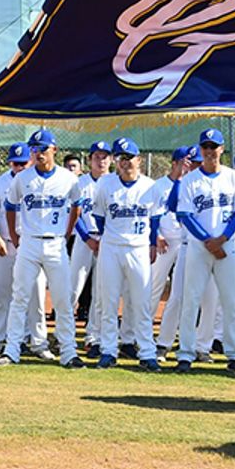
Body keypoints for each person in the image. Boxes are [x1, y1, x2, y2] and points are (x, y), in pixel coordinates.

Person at [0, 129, 84, 368]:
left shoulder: (68, 178)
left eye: (43, 148)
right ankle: (11, 350)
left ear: (54, 149)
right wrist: (14, 236)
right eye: (34, 149)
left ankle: (68, 352)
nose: (38, 153)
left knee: (63, 299)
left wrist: (66, 233)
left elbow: (77, 207)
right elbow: (11, 206)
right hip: (30, 242)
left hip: (55, 242)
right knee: (20, 297)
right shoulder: (22, 178)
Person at [173, 128, 235, 376]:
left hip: (226, 246)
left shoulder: (233, 177)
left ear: (221, 149)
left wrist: (223, 239)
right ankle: (185, 353)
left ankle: (234, 355)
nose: (209, 151)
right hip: (199, 247)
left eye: (213, 146)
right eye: (205, 146)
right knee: (191, 300)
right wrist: (208, 241)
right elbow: (184, 214)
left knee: (230, 302)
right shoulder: (190, 180)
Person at [91, 137, 164, 371]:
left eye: (128, 157)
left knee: (141, 302)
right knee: (108, 301)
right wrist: (110, 238)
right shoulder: (105, 184)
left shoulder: (150, 186)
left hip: (139, 247)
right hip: (111, 247)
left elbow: (155, 220)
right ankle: (108, 350)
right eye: (120, 158)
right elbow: (100, 218)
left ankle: (147, 352)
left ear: (139, 160)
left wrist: (152, 245)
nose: (124, 162)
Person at [0, 142, 43, 361]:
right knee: (2, 293)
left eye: (23, 163)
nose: (18, 167)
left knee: (35, 295)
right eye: (15, 164)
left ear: (31, 161)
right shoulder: (0, 183)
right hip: (6, 243)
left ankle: (35, 340)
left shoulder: (37, 181)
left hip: (32, 244)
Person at [71, 141, 111, 354]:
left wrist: (104, 239)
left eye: (105, 156)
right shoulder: (80, 182)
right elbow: (74, 214)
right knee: (73, 288)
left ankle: (93, 337)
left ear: (111, 160)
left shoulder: (114, 182)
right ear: (90, 159)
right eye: (97, 156)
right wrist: (87, 238)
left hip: (107, 242)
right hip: (83, 239)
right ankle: (64, 336)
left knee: (100, 292)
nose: (101, 160)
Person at [149, 147, 189, 355]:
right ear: (174, 163)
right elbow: (151, 215)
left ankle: (177, 337)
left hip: (184, 242)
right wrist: (156, 236)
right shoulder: (159, 186)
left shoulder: (191, 184)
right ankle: (145, 334)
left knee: (180, 292)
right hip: (165, 241)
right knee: (154, 287)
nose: (188, 165)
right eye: (184, 161)